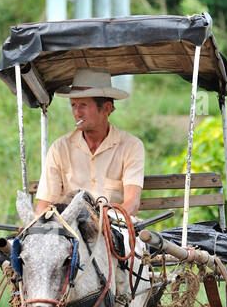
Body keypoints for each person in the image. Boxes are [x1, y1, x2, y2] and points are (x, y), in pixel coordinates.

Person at [34, 68, 144, 218]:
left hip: (115, 230)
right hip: (71, 232)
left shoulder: (131, 146)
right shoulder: (60, 148)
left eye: (83, 105)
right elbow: (44, 205)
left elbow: (132, 204)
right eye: (73, 105)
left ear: (107, 108)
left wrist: (102, 224)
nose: (77, 113)